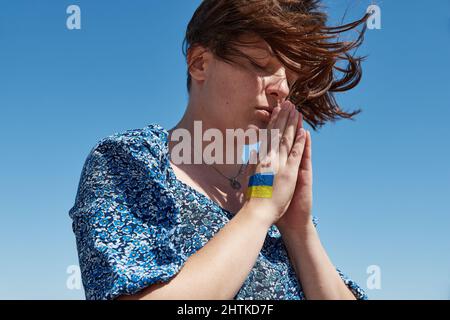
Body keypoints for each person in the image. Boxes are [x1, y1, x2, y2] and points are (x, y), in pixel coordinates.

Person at [69, 0, 369, 300]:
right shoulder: (128, 160)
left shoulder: (272, 189)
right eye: (261, 64)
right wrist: (259, 210)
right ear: (200, 63)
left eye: (290, 79)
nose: (282, 89)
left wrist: (299, 229)